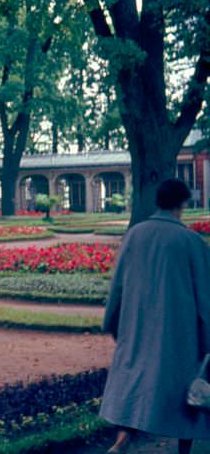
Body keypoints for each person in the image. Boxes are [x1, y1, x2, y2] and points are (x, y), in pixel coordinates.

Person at [100, 178, 210, 454]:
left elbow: (118, 284)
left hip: (136, 325)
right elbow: (205, 297)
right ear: (183, 203)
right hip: (179, 331)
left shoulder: (135, 234)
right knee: (186, 395)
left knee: (132, 384)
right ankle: (183, 449)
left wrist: (112, 321)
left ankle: (123, 438)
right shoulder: (191, 241)